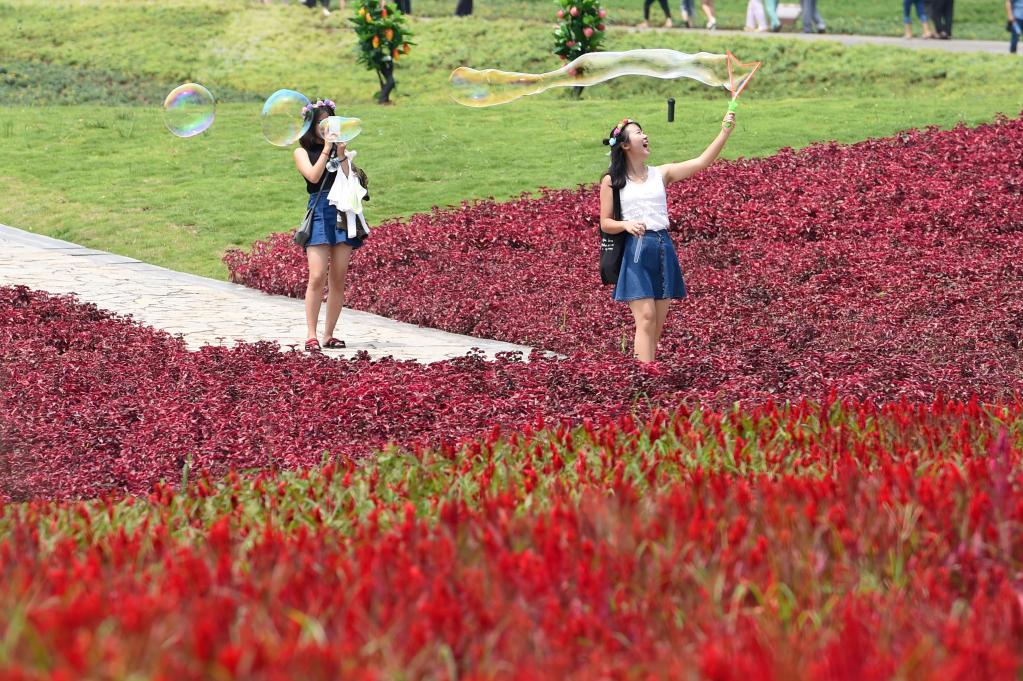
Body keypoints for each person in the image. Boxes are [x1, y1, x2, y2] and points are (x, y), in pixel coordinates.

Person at [598, 109, 737, 363]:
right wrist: (626, 225)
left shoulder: (661, 173)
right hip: (636, 251)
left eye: (644, 132)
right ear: (625, 145)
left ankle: (646, 374)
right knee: (646, 318)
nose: (645, 136)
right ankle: (644, 375)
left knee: (655, 326)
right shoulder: (612, 180)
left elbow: (702, 162)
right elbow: (605, 223)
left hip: (663, 249)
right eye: (638, 133)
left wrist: (724, 132)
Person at [293, 99, 366, 353]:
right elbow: (313, 177)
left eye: (330, 122)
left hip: (342, 213)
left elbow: (348, 179)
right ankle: (311, 335)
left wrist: (342, 153)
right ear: (311, 125)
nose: (327, 127)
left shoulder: (339, 149)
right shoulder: (302, 152)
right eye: (321, 123)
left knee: (338, 277)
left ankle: (329, 335)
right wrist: (326, 149)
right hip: (319, 212)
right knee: (316, 275)